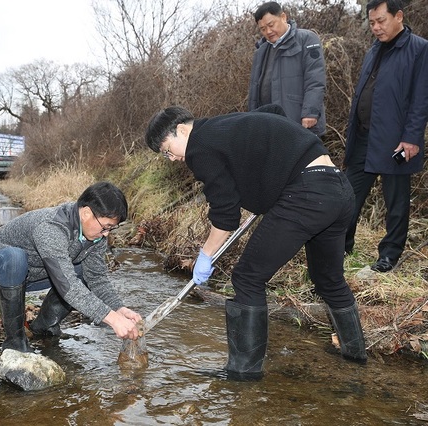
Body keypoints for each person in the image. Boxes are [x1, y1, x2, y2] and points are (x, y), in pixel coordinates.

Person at [145, 104, 366, 380]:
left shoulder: (199, 147)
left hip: (307, 194)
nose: (171, 158)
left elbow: (225, 215)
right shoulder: (225, 124)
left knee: (247, 278)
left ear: (182, 129)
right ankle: (356, 358)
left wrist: (206, 255)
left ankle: (243, 373)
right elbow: (274, 112)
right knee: (328, 279)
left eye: (167, 149)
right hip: (338, 189)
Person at [0, 181, 142, 353]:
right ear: (87, 213)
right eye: (106, 227)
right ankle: (14, 342)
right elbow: (67, 285)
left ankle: (44, 327)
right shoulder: (51, 227)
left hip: (30, 276)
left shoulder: (96, 236)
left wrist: (118, 309)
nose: (106, 234)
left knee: (83, 272)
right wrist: (111, 319)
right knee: (15, 257)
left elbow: (97, 278)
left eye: (111, 229)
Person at [344, 0, 428, 272]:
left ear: (399, 16)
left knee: (396, 199)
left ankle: (389, 255)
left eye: (381, 20)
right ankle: (341, 244)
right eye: (372, 22)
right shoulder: (374, 48)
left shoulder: (419, 49)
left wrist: (412, 137)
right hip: (364, 136)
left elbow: (421, 98)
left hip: (397, 140)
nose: (376, 27)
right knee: (348, 194)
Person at [248, 1, 326, 136]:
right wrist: (252, 118)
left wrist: (310, 112)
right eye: (262, 29)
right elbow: (255, 89)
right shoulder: (261, 50)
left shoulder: (306, 39)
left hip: (300, 122)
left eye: (271, 25)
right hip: (269, 124)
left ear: (283, 17)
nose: (268, 31)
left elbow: (315, 79)